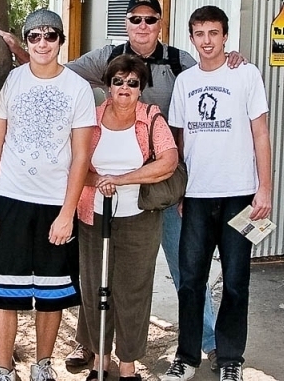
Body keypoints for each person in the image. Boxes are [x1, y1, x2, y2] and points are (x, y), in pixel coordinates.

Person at [0, 0, 243, 371]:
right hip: (100, 198)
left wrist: (232, 60)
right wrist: (21, 48)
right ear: (127, 23)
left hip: (161, 189)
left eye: (151, 20)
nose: (143, 26)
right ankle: (91, 349)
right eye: (136, 19)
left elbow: (210, 71)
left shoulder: (180, 61)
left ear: (160, 24)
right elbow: (55, 68)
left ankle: (206, 341)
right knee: (94, 276)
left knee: (185, 271)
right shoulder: (104, 58)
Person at [0, 9, 97, 381]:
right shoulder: (10, 83)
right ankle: (3, 369)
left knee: (51, 291)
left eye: (51, 36)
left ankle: (42, 366)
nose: (43, 43)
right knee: (3, 290)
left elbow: (81, 155)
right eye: (34, 36)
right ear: (26, 42)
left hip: (54, 205)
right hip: (9, 200)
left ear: (61, 41)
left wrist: (68, 212)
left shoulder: (77, 88)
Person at [162, 6, 272, 381]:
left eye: (213, 33)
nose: (206, 40)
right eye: (199, 33)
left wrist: (265, 189)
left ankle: (229, 359)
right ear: (191, 38)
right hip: (195, 196)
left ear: (225, 36)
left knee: (236, 281)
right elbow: (177, 140)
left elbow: (261, 134)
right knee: (191, 280)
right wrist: (178, 189)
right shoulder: (186, 82)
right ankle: (187, 356)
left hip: (240, 195)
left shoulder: (246, 74)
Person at [75, 54, 178, 381]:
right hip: (93, 214)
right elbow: (75, 164)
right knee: (95, 288)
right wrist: (98, 181)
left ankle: (129, 364)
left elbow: (168, 162)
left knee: (132, 290)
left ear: (141, 88)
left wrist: (122, 179)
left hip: (139, 218)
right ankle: (100, 361)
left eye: (132, 82)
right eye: (118, 81)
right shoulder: (89, 119)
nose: (124, 87)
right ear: (107, 85)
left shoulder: (151, 119)